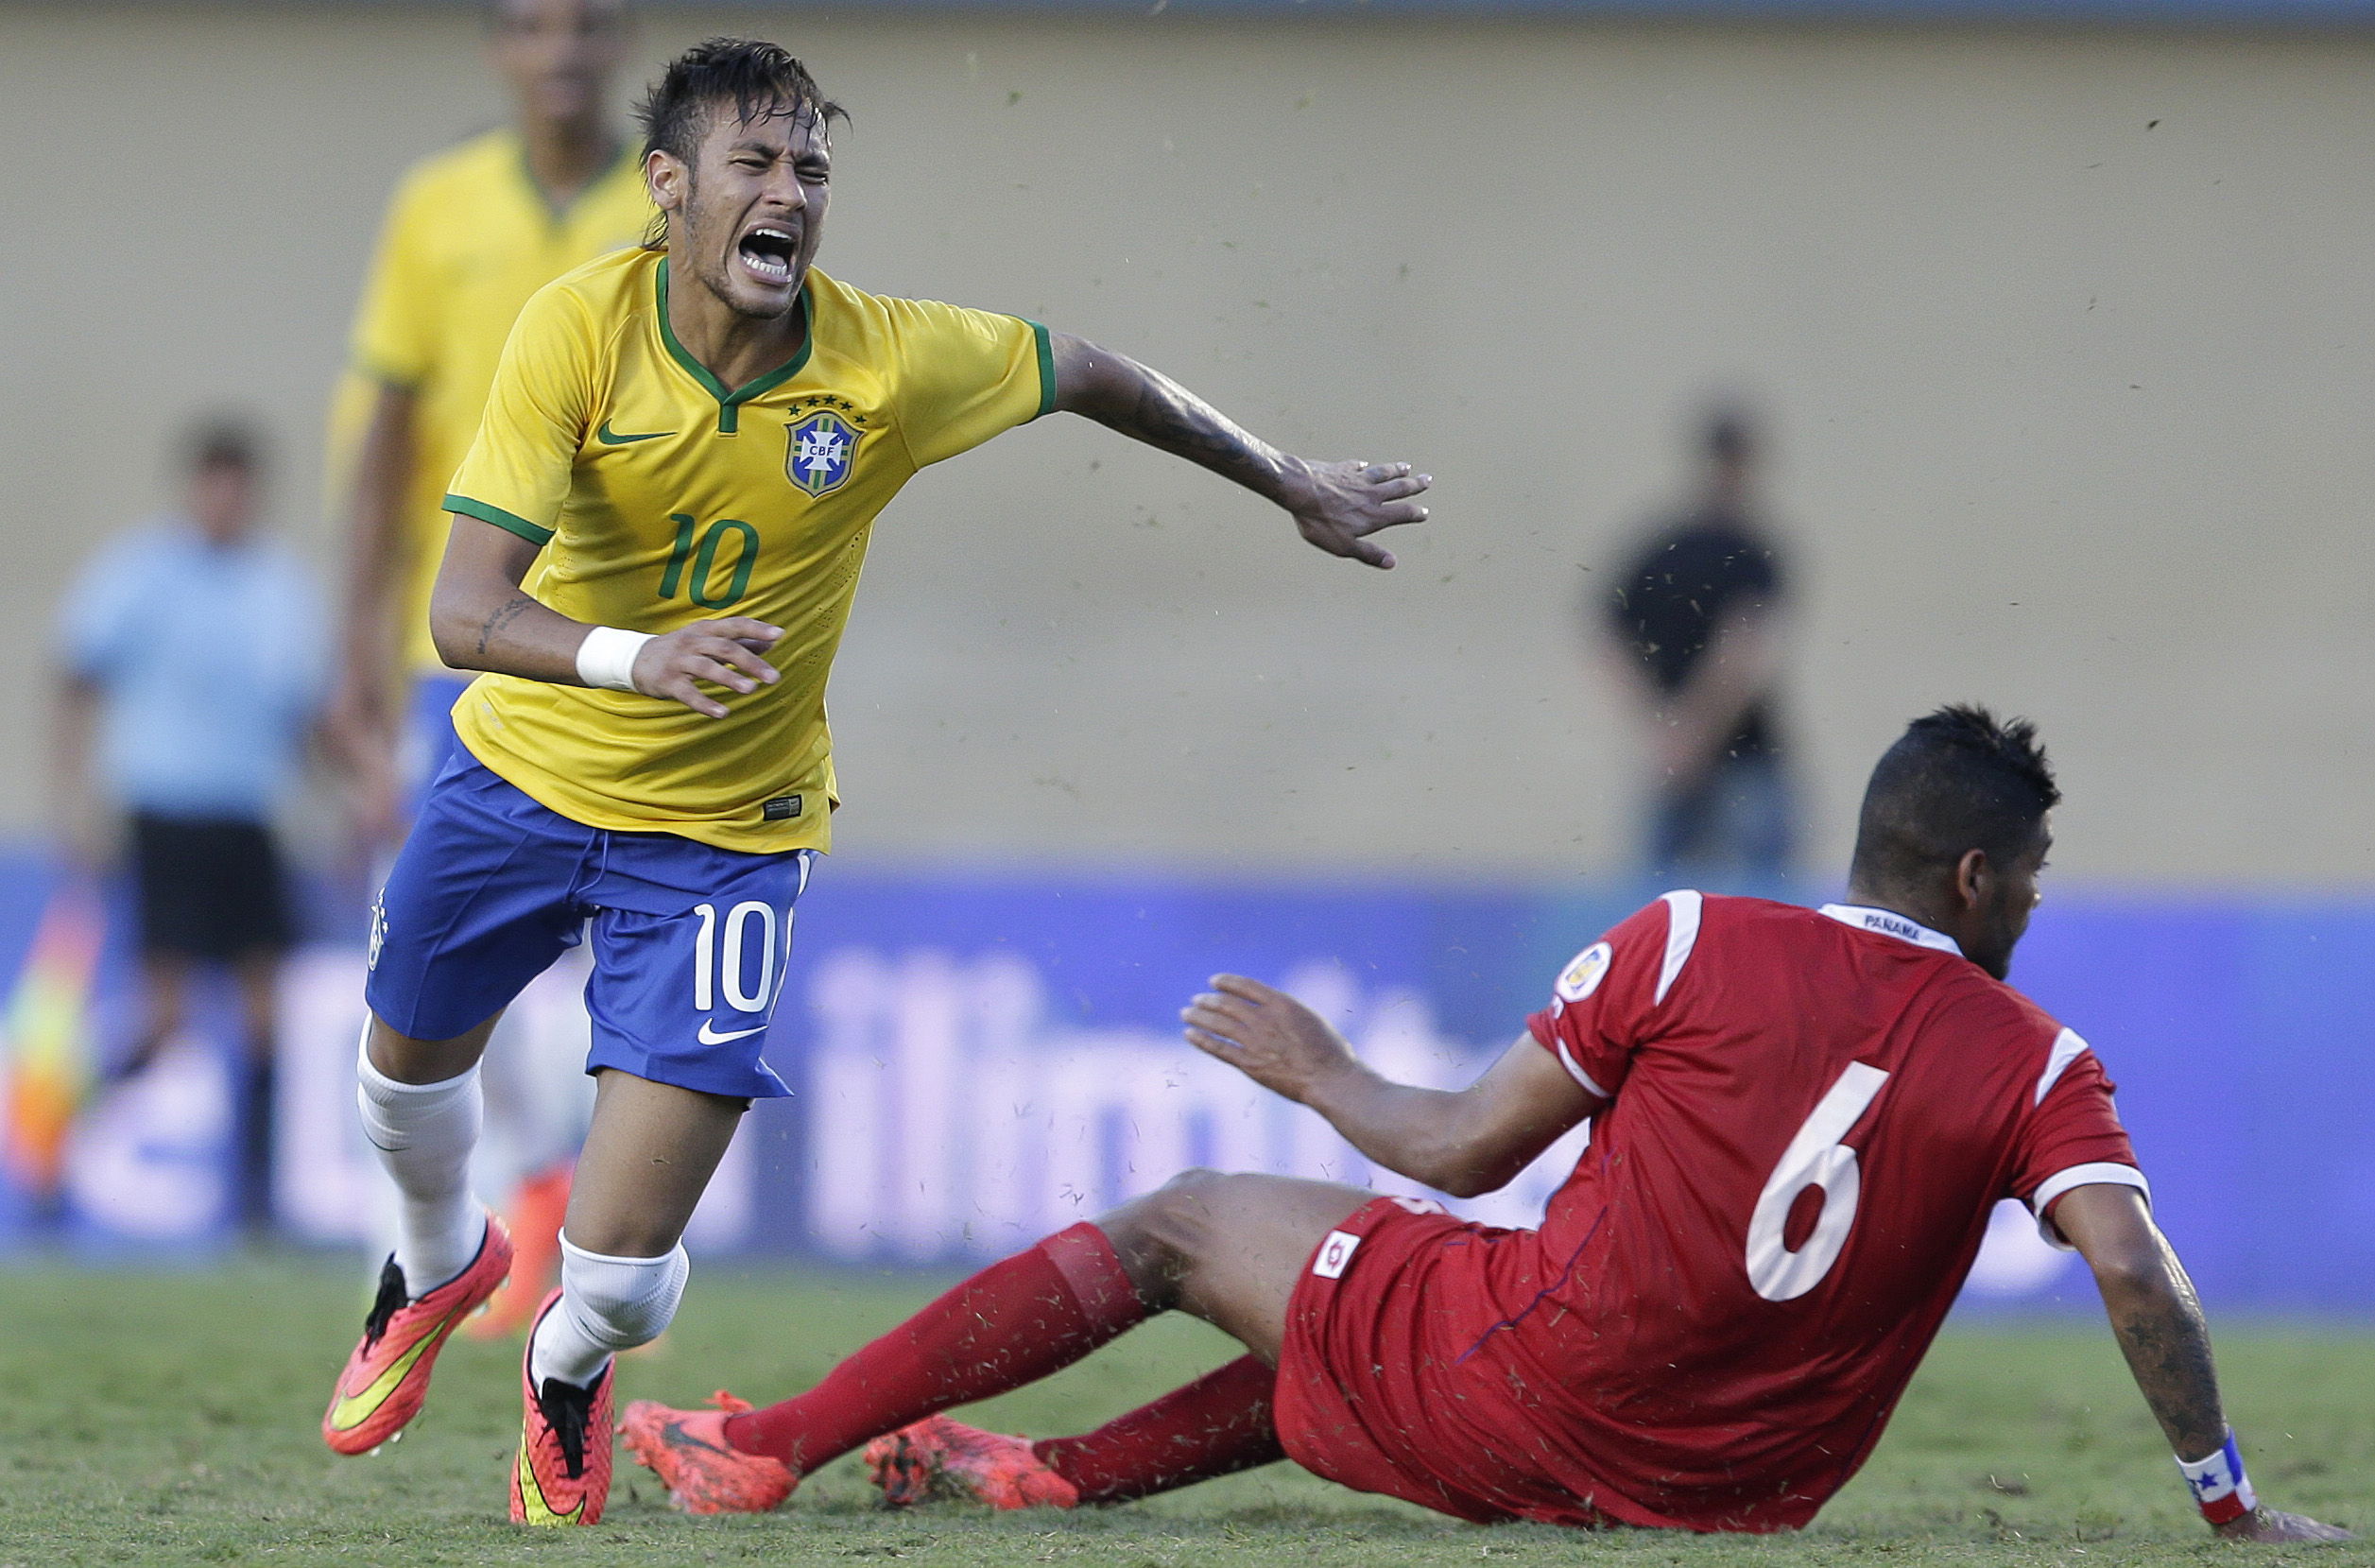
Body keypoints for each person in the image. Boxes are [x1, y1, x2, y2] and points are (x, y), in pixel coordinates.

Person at [318, 38, 1430, 1530]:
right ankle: (436, 1258)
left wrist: (1282, 470)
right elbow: (462, 613)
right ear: (669, 188)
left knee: (626, 1275)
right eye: (755, 164)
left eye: (811, 169)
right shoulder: (573, 331)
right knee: (398, 1084)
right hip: (519, 775)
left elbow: (1094, 373)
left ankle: (566, 1372)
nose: (790, 193)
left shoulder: (887, 358)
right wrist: (635, 662)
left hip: (723, 833)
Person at [623, 705, 2346, 1544]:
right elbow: (2129, 1265)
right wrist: (2218, 1495)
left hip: (1529, 1392)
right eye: (2026, 877)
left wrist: (1313, 1067)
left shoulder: (1688, 937)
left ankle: (768, 1438)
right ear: (1971, 874)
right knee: (1394, 1306)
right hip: (1732, 1492)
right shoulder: (2040, 1061)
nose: (2030, 908)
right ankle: (1051, 1470)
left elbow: (1448, 1144)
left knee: (1193, 1217)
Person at [330, 0, 650, 1335]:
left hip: (617, 645)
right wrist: (344, 657)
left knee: (611, 963)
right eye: (530, 24)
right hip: (447, 644)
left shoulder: (675, 198)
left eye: (584, 24)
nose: (559, 50)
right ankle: (452, 1234)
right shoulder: (437, 206)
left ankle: (585, 1231)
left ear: (621, 40)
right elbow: (383, 445)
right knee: (431, 952)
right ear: (496, 48)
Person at [51, 421, 327, 1232]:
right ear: (194, 488)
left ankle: (255, 1203)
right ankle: (56, 1145)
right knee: (165, 1016)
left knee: (265, 1013)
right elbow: (76, 678)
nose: (226, 499)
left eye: (239, 484)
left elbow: (304, 714)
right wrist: (72, 799)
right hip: (165, 813)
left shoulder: (279, 585)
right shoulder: (140, 574)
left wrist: (345, 811)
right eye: (215, 483)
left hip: (248, 819)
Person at [1601, 404, 1794, 880]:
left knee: (1658, 892)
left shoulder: (1674, 548)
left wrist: (1674, 733)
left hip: (1716, 752)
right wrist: (1673, 731)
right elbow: (1742, 652)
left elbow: (1742, 650)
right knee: (1764, 895)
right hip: (1736, 756)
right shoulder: (1749, 553)